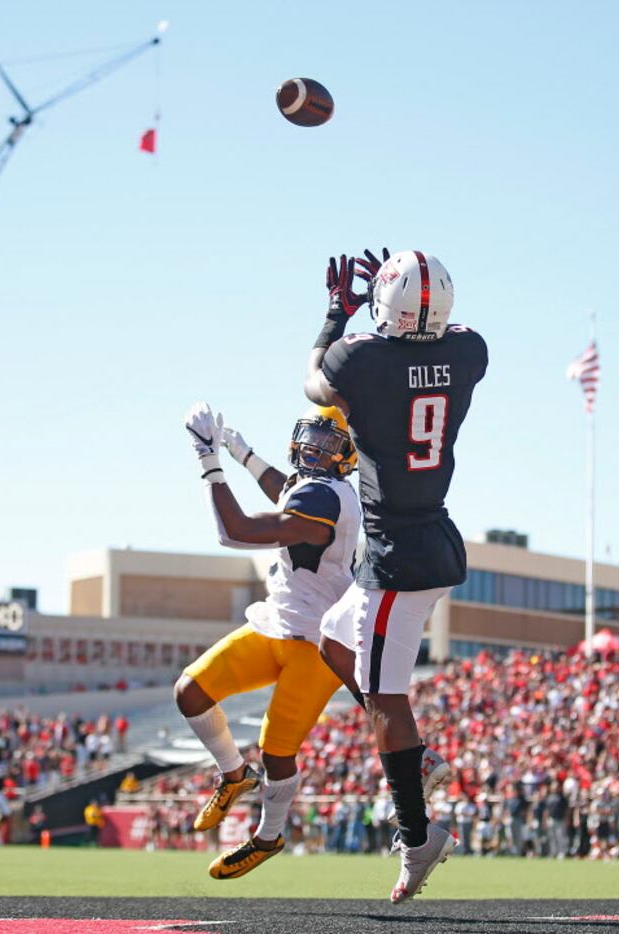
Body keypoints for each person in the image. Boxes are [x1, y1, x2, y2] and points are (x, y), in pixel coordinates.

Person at [303, 248, 488, 902]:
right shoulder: (469, 351)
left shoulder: (362, 359)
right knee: (331, 638)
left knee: (385, 699)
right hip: (432, 534)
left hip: (394, 555)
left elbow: (314, 386)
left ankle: (417, 836)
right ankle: (420, 761)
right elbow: (433, 353)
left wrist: (336, 310)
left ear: (385, 305)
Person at [179, 404, 400, 879]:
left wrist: (208, 459)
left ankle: (268, 836)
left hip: (315, 642)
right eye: (313, 438)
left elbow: (234, 532)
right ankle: (234, 775)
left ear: (348, 457)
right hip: (273, 624)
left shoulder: (326, 501)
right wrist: (244, 454)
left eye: (329, 445)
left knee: (276, 750)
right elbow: (286, 489)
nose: (315, 450)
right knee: (190, 691)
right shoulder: (315, 490)